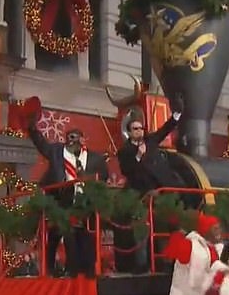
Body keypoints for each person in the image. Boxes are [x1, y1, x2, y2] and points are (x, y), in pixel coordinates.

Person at [23, 97, 109, 278]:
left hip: (85, 203)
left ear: (82, 140)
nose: (72, 143)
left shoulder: (96, 159)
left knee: (85, 236)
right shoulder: (56, 152)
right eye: (69, 140)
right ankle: (53, 268)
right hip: (60, 200)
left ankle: (85, 269)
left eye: (76, 140)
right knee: (57, 233)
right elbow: (41, 144)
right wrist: (31, 127)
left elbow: (104, 178)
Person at [117, 93, 185, 196]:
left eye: (141, 128)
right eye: (135, 129)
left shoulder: (150, 140)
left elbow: (165, 129)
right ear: (129, 132)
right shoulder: (125, 151)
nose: (139, 131)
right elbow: (127, 171)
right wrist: (138, 156)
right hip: (144, 192)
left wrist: (177, 114)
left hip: (165, 186)